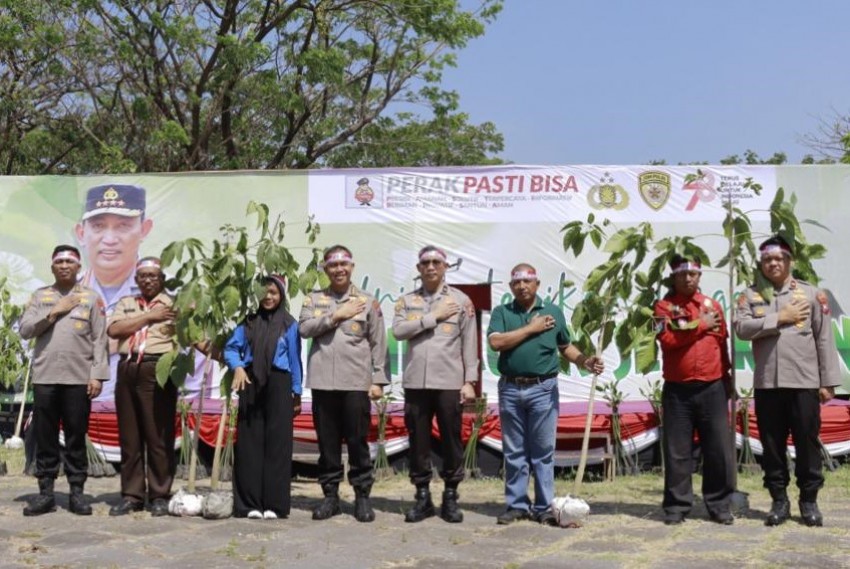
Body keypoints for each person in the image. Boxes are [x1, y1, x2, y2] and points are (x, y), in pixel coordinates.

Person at [735, 235, 841, 527]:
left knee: (807, 443)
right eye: (767, 259)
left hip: (804, 382)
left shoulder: (811, 294)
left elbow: (823, 339)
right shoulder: (751, 296)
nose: (773, 263)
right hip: (768, 384)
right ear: (761, 263)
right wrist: (779, 317)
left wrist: (828, 382)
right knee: (772, 445)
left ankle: (809, 501)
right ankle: (778, 501)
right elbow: (742, 328)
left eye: (779, 258)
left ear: (789, 261)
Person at [487, 264, 604, 526]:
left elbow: (566, 347)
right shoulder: (502, 312)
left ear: (537, 284)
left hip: (543, 389)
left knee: (542, 451)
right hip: (510, 388)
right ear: (510, 287)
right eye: (516, 282)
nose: (522, 286)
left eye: (527, 281)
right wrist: (531, 328)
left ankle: (543, 506)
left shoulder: (553, 313)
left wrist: (585, 361)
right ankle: (517, 505)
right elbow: (496, 343)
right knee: (515, 451)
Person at [299, 245, 388, 523]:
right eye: (333, 266)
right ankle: (330, 497)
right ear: (326, 270)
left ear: (352, 267)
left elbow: (378, 342)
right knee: (327, 444)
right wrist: (336, 315)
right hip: (323, 382)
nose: (339, 270)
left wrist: (378, 380)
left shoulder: (367, 301)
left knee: (358, 441)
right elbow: (304, 329)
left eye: (344, 265)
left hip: (355, 383)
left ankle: (362, 496)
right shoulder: (314, 300)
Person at [19, 245, 109, 516]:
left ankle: (77, 493)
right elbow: (25, 330)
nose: (64, 266)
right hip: (46, 376)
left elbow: (100, 339)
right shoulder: (40, 296)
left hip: (78, 379)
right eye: (59, 261)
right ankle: (45, 492)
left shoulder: (92, 298)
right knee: (45, 436)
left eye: (70, 261)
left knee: (75, 436)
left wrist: (97, 376)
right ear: (52, 267)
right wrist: (54, 311)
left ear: (78, 267)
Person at [392, 245, 478, 523]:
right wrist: (433, 317)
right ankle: (422, 496)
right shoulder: (407, 301)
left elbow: (469, 343)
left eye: (436, 263)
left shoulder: (461, 300)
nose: (430, 267)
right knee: (418, 440)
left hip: (449, 382)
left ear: (445, 267)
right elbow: (399, 331)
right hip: (416, 382)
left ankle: (451, 495)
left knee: (452, 440)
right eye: (425, 263)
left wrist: (470, 381)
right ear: (418, 269)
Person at [653, 255, 734, 525]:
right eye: (682, 274)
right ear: (673, 277)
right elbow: (667, 339)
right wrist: (701, 325)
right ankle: (677, 506)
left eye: (693, 274)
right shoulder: (662, 307)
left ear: (699, 277)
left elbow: (721, 342)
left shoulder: (713, 306)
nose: (688, 278)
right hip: (678, 390)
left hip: (713, 386)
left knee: (718, 449)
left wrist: (729, 376)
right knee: (677, 450)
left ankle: (719, 504)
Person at [224, 275, 302, 519]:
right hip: (250, 382)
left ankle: (274, 505)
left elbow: (294, 359)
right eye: (264, 292)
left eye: (274, 292)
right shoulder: (247, 323)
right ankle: (249, 504)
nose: (268, 297)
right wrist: (236, 366)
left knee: (278, 444)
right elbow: (230, 348)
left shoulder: (290, 324)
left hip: (280, 383)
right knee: (249, 442)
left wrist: (297, 392)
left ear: (281, 296)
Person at [106, 257, 178, 517]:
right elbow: (115, 330)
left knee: (158, 435)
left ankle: (159, 494)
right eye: (143, 276)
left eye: (153, 275)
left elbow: (193, 337)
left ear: (162, 279)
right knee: (130, 436)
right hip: (127, 368)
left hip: (157, 368)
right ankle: (132, 495)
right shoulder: (127, 303)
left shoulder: (172, 304)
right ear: (136, 280)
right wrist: (149, 316)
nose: (148, 280)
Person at [75, 184, 152, 312]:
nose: (109, 240)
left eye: (123, 226)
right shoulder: (63, 293)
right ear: (81, 234)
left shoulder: (171, 294)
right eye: (98, 226)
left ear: (144, 230)